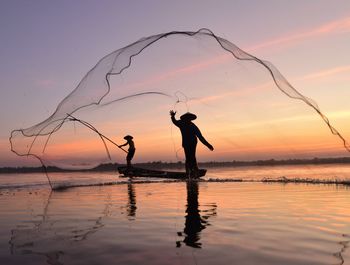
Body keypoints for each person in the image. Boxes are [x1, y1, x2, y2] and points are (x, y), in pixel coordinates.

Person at [170, 110, 214, 177]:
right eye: (187, 118)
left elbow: (200, 137)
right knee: (188, 158)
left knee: (192, 158)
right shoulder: (181, 123)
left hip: (193, 143)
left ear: (191, 119)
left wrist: (208, 145)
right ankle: (189, 172)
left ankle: (194, 171)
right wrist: (173, 116)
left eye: (189, 118)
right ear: (185, 118)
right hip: (185, 143)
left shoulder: (193, 126)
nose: (188, 119)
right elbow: (175, 122)